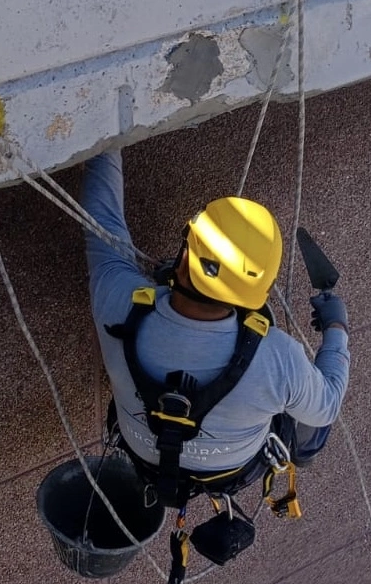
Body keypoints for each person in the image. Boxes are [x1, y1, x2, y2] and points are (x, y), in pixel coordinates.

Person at [81, 149, 351, 508]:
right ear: (257, 292)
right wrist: (336, 327)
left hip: (142, 450)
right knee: (310, 403)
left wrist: (105, 140)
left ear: (182, 261)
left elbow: (102, 218)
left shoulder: (118, 302)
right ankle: (305, 451)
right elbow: (328, 405)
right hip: (229, 469)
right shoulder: (279, 357)